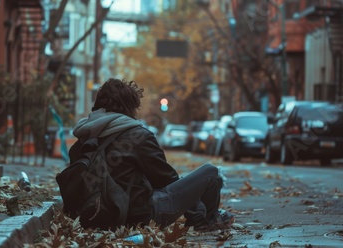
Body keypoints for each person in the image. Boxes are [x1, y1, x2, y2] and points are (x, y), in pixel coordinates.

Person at [69, 78, 234, 231]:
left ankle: (200, 217)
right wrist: (196, 206)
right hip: (138, 216)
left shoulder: (83, 137)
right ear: (129, 107)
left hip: (94, 216)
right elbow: (165, 178)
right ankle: (206, 221)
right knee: (211, 173)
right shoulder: (137, 136)